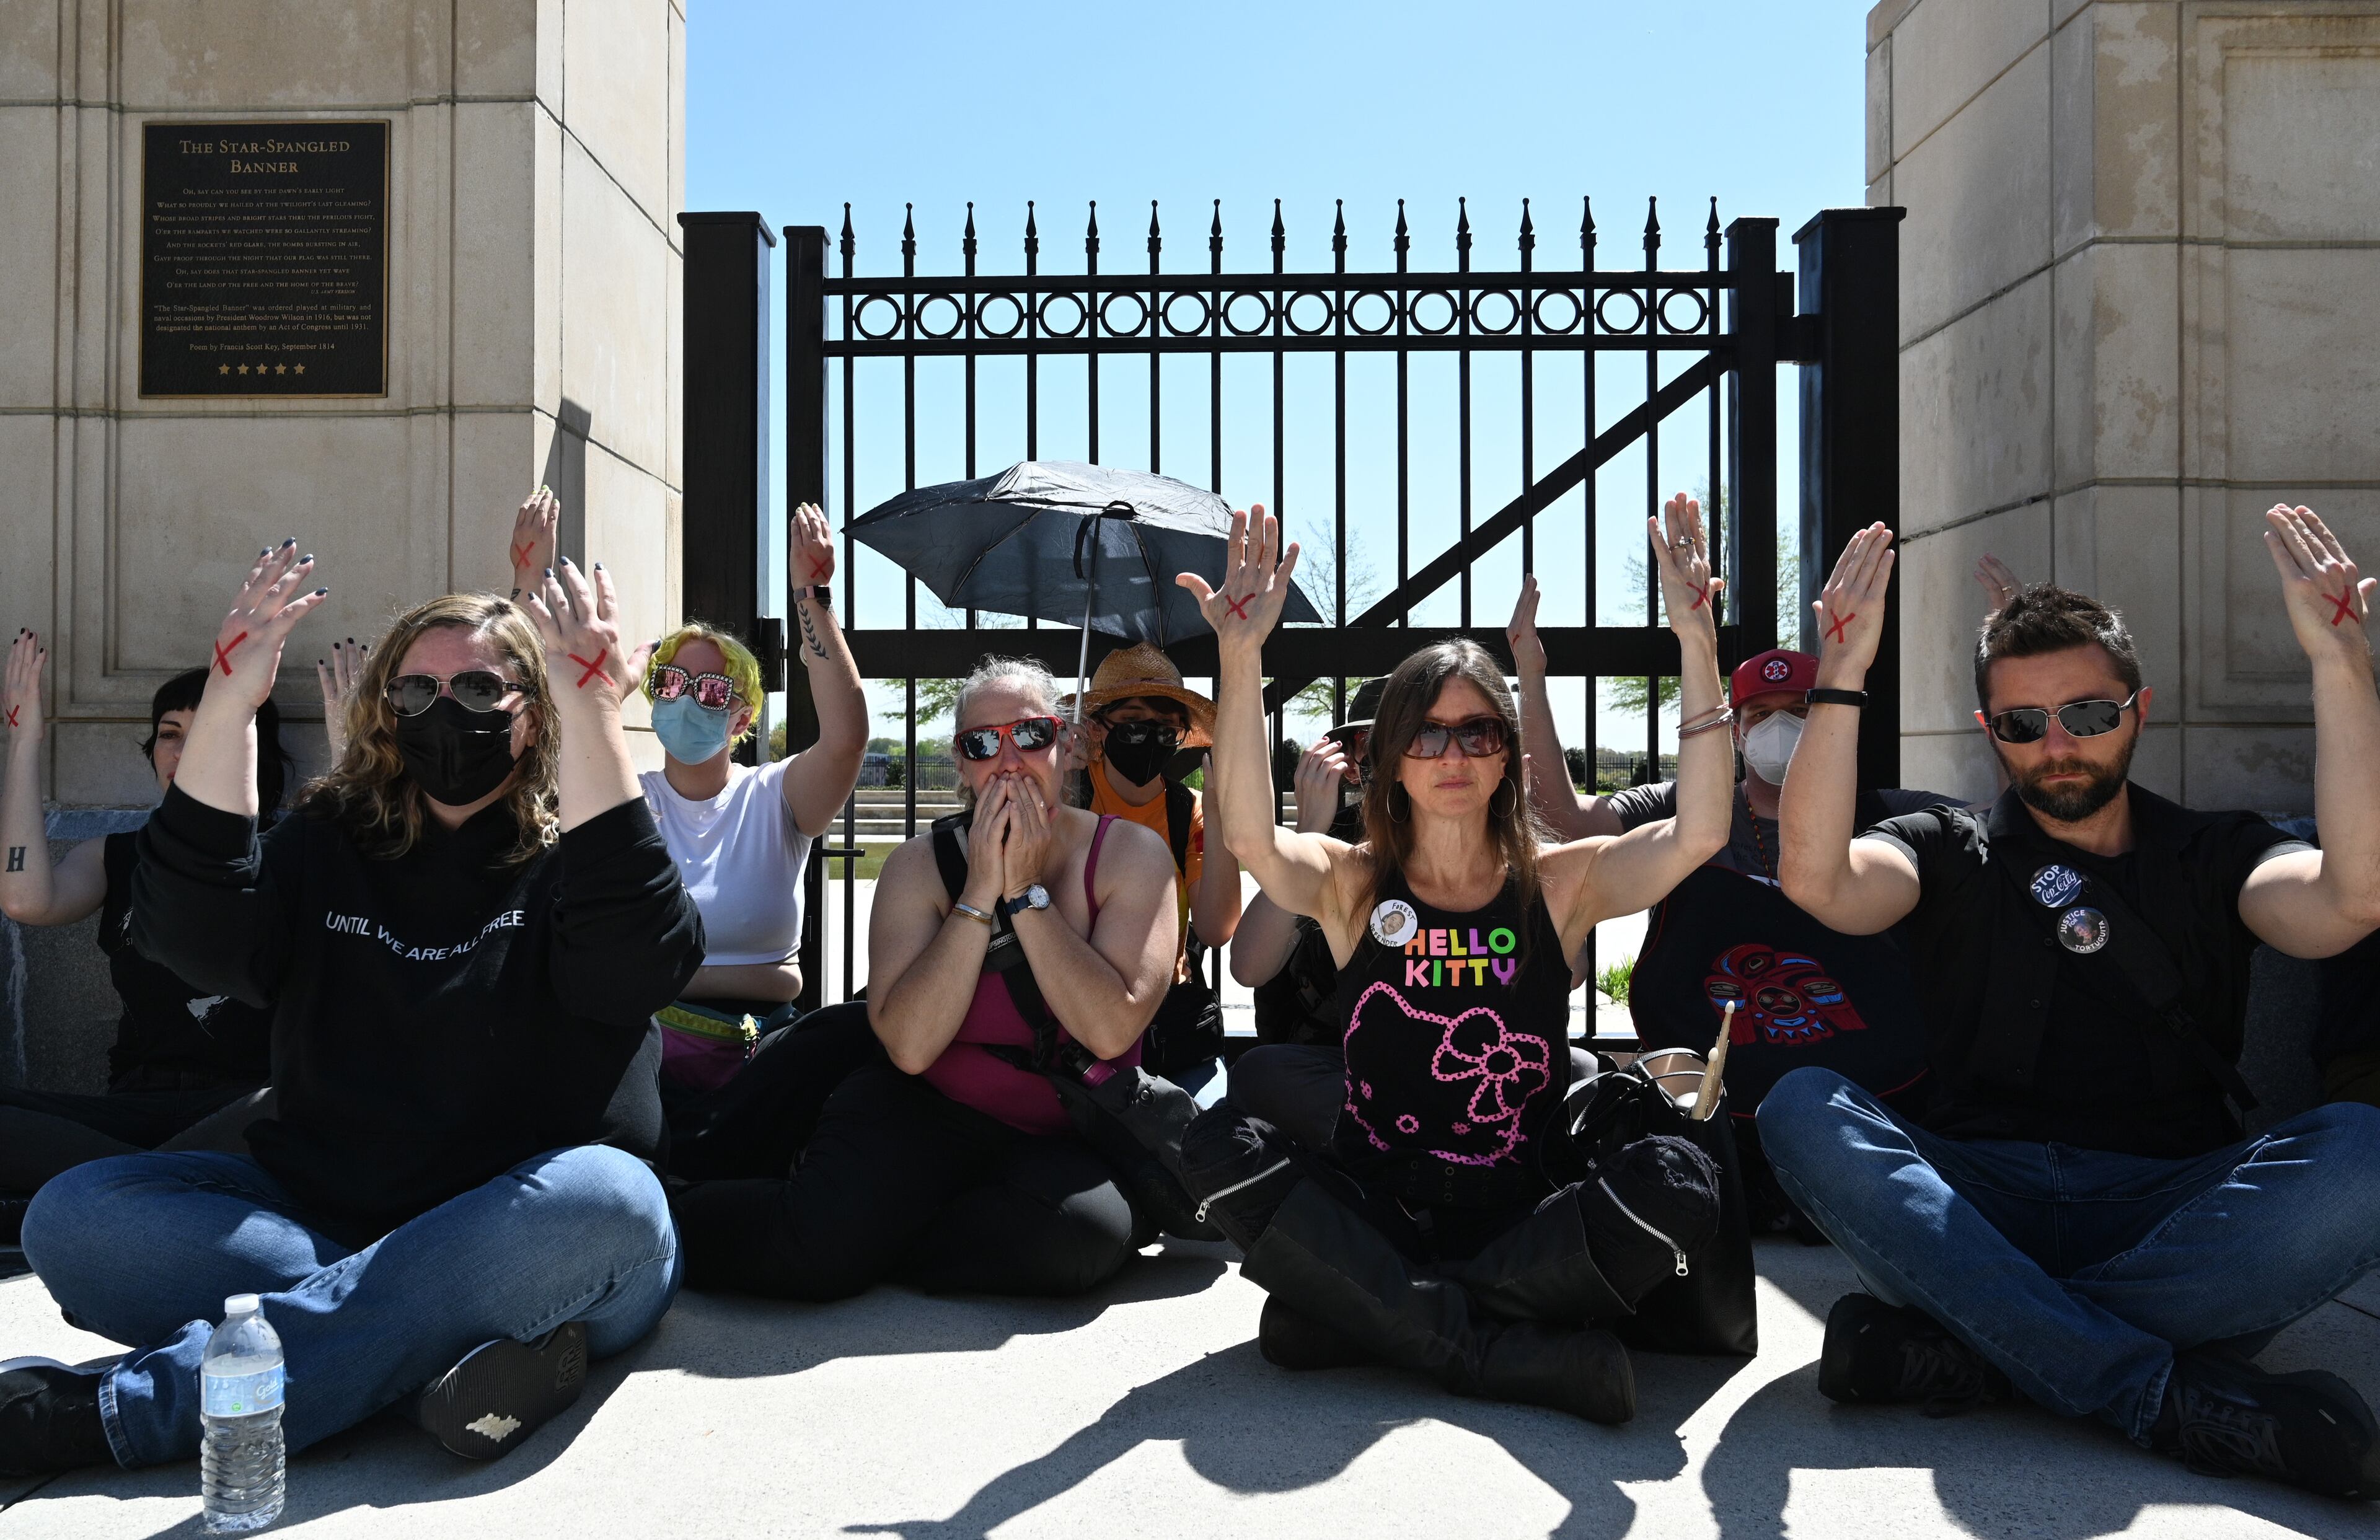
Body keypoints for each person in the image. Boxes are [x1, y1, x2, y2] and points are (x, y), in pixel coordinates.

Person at [1, 543, 703, 1476]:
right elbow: (197, 937)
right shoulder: (326, 842)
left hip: (540, 1239)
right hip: (333, 1213)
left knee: (611, 1198)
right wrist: (228, 698)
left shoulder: (583, 850)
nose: (444, 713)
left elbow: (639, 966)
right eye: (415, 694)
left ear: (532, 719)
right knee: (78, 1217)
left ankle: (115, 1414)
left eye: (481, 692)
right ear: (384, 713)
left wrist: (596, 704)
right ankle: (422, 1360)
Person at [1761, 506, 2380, 1498]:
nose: (2058, 745)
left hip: (2171, 1215)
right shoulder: (1942, 847)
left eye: (2088, 714)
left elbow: (2351, 900)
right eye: (2023, 722)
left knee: (2363, 1148)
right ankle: (2156, 1391)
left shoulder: (2216, 852)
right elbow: (1818, 882)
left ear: (2137, 710)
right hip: (1971, 1204)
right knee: (1802, 1106)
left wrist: (2341, 664)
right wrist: (1840, 680)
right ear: (1990, 734)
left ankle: (1976, 1341)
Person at [1176, 498, 1731, 1425]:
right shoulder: (1354, 885)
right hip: (1377, 1201)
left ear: (1507, 758)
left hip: (1522, 1213)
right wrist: (1240, 659)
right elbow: (1249, 834)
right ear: (1389, 761)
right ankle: (1482, 1346)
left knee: (1679, 1179)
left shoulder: (1562, 885)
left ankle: (1371, 1314)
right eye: (1427, 733)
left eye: (1477, 732)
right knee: (1211, 1141)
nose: (1452, 753)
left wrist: (1696, 641)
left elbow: (1703, 828)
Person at [668, 655, 1182, 1301]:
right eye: (980, 744)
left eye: (1029, 734)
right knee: (812, 1252)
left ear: (1069, 746)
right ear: (962, 765)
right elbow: (908, 1046)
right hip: (929, 1105)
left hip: (1068, 1124)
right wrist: (978, 895)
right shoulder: (920, 865)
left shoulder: (1133, 857)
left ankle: (879, 1238)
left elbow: (1110, 1029)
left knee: (1080, 1238)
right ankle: (666, 1217)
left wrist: (1025, 892)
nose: (1008, 761)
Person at [1507, 579, 1963, 1226]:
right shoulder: (1681, 808)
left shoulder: (1888, 815)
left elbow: (1997, 832)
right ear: (1737, 729)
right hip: (1712, 1097)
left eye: (1800, 710)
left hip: (1871, 1095)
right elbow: (1565, 824)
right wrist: (1531, 675)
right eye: (1760, 713)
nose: (1780, 728)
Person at [0, 647, 293, 1242]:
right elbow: (26, 900)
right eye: (169, 734)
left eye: (208, 730)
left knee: (315, 1107)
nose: (184, 752)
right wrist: (26, 739)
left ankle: (109, 1192)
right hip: (132, 1110)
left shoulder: (295, 852)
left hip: (246, 1107)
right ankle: (165, 1186)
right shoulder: (118, 854)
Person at [1062, 642, 1241, 1088]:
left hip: (1171, 1024)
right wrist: (1055, 777)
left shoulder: (1190, 812)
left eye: (1166, 725)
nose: (1151, 734)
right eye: (1134, 721)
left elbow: (1218, 928)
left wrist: (1221, 822)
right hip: (1078, 1013)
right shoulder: (1068, 799)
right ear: (1098, 728)